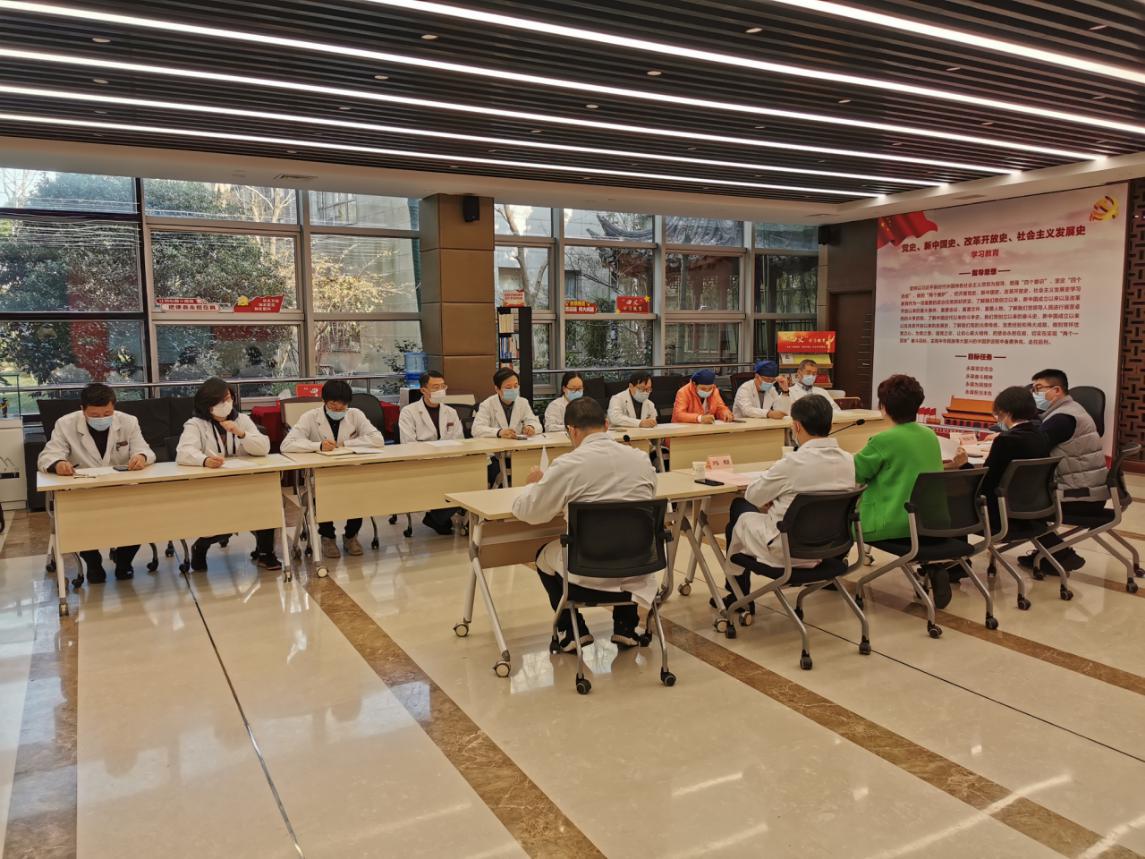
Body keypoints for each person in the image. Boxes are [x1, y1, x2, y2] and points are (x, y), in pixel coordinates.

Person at [512, 398, 658, 651]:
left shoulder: (568, 465)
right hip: (640, 567)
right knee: (625, 537)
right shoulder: (641, 459)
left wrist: (532, 485)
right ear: (606, 424)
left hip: (588, 570)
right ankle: (626, 627)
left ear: (572, 431)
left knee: (543, 556)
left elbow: (531, 512)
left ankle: (572, 630)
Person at [722, 395, 855, 616]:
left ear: (797, 426)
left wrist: (772, 499)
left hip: (788, 547)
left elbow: (753, 495)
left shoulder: (792, 463)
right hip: (830, 546)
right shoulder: (848, 461)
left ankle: (738, 595)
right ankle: (737, 594)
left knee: (739, 509)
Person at [851, 375, 955, 604]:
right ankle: (933, 568)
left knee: (842, 518)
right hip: (930, 523)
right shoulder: (929, 435)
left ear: (884, 407)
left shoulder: (883, 440)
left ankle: (831, 573)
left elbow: (856, 473)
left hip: (894, 524)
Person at [38, 382, 155, 583]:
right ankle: (93, 563)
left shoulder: (128, 421)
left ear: (113, 407)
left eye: (107, 413)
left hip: (121, 489)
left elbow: (144, 449)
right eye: (94, 415)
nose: (102, 419)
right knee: (76, 519)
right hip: (83, 490)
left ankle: (124, 561)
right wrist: (58, 464)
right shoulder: (65, 424)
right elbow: (48, 455)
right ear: (82, 410)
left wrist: (141, 457)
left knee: (141, 516)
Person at [176, 377, 281, 572]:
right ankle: (201, 546)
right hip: (212, 485)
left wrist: (242, 434)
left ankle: (266, 553)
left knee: (267, 502)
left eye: (229, 399)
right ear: (208, 404)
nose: (226, 403)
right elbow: (184, 451)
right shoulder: (195, 424)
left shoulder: (241, 419)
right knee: (221, 518)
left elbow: (263, 447)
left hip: (244, 481)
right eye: (221, 400)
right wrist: (204, 460)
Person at [281, 379, 386, 558]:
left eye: (342, 406)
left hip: (351, 470)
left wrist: (347, 443)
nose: (338, 409)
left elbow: (378, 439)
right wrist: (318, 446)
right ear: (324, 401)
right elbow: (286, 444)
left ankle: (351, 536)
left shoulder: (355, 414)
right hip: (322, 473)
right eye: (333, 405)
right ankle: (327, 537)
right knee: (323, 495)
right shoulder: (310, 417)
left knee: (358, 494)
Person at [1023, 369, 1107, 573]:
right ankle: (1051, 553)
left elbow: (1032, 447)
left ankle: (1059, 555)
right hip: (1088, 491)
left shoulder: (1063, 418)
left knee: (1019, 505)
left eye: (1038, 389)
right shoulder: (1070, 409)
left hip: (1079, 497)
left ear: (1057, 390)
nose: (1034, 394)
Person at [398, 370, 465, 535]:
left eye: (443, 386)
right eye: (435, 387)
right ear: (423, 390)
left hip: (449, 461)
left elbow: (459, 440)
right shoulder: (409, 412)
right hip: (422, 463)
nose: (440, 390)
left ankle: (437, 517)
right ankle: (439, 516)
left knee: (469, 478)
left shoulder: (451, 412)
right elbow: (408, 443)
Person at [981, 386, 1053, 534]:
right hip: (1035, 511)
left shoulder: (1005, 440)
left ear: (1005, 412)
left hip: (999, 515)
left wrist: (963, 464)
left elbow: (987, 480)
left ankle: (957, 549)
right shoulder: (1042, 436)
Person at [472, 367, 542, 486]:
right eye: (508, 387)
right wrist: (499, 432)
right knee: (499, 476)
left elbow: (536, 423)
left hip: (518, 452)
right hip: (495, 455)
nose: (513, 390)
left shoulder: (522, 402)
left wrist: (531, 427)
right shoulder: (487, 404)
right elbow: (476, 429)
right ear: (497, 389)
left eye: (516, 386)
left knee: (530, 473)